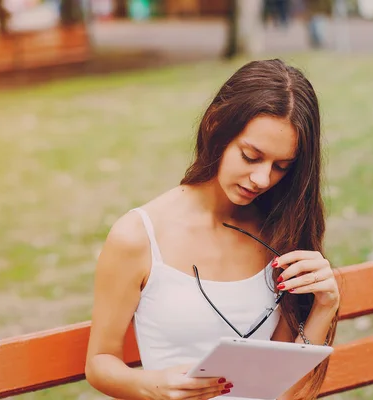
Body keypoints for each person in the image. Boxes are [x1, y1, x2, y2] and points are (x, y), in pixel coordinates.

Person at [85, 59, 341, 400]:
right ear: (216, 125)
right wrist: (151, 385)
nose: (263, 179)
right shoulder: (139, 236)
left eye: (281, 166)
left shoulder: (277, 232)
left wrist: (324, 307)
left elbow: (285, 393)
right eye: (251, 156)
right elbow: (100, 362)